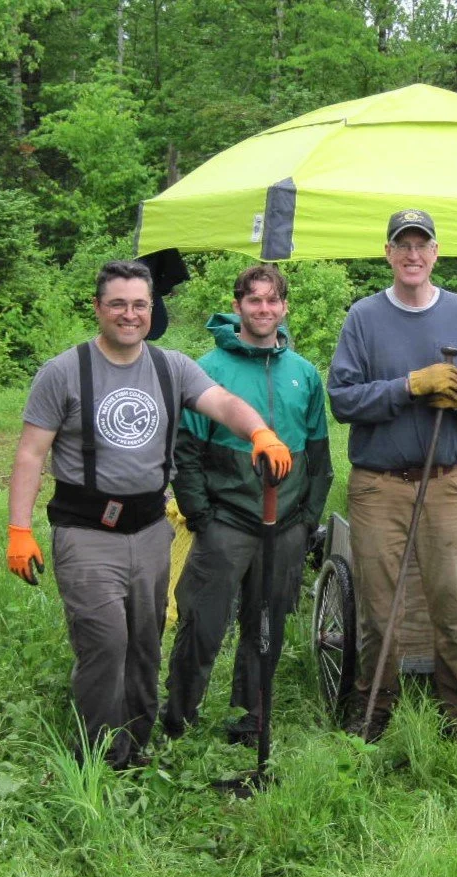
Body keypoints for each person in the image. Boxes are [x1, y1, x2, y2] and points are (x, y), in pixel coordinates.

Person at [6, 259, 292, 769]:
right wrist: (19, 529)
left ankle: (137, 746)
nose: (129, 314)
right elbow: (30, 453)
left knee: (144, 643)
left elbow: (224, 403)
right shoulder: (64, 371)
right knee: (106, 644)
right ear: (98, 308)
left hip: (151, 530)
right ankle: (98, 758)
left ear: (151, 309)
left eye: (139, 304)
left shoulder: (171, 367)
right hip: (87, 530)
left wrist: (259, 432)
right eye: (117, 303)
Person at [327, 209, 457, 740]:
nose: (412, 255)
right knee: (379, 609)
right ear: (387, 254)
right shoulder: (363, 318)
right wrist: (407, 386)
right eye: (401, 245)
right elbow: (342, 399)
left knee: (451, 605)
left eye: (421, 245)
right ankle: (374, 713)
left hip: (446, 484)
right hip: (378, 485)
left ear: (435, 252)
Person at [161, 264, 333, 745]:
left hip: (287, 526)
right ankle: (179, 719)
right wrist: (201, 515)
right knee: (201, 621)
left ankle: (249, 718)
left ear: (285, 307)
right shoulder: (208, 369)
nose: (264, 309)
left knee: (267, 626)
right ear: (237, 306)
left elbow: (320, 456)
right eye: (254, 300)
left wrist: (307, 519)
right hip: (226, 522)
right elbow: (187, 452)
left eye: (272, 300)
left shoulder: (303, 373)